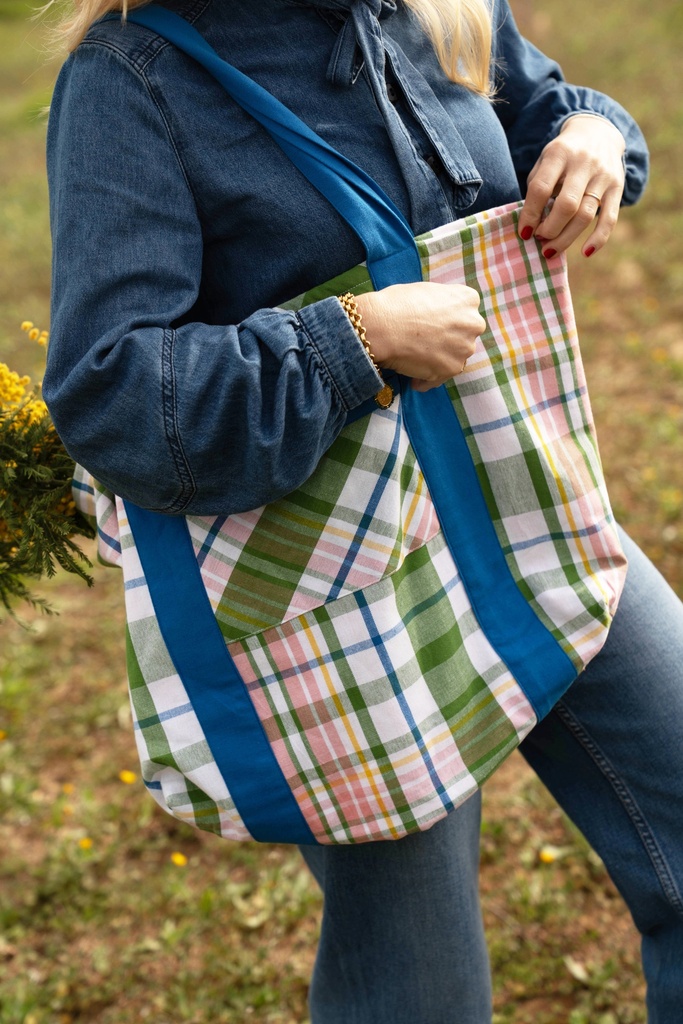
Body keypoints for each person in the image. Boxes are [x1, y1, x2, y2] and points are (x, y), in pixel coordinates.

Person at [43, 1, 683, 1021]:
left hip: (520, 508)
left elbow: (540, 108)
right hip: (339, 604)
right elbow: (110, 389)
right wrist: (353, 339)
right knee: (417, 991)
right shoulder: (133, 76)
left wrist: (592, 139)